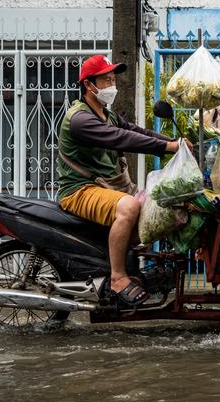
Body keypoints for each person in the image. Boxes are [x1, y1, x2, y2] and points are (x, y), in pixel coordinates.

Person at [57, 54, 189, 306]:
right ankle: (118, 277)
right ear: (88, 84)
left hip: (105, 188)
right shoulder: (80, 119)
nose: (112, 86)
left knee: (159, 207)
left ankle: (116, 265)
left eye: (113, 79)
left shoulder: (108, 115)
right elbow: (120, 138)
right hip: (79, 190)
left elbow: (136, 132)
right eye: (106, 80)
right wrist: (168, 147)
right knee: (129, 207)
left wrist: (174, 143)